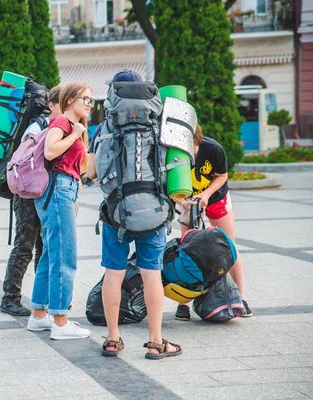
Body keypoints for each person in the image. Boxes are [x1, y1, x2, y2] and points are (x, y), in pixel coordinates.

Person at [86, 70, 182, 359]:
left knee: (113, 273)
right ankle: (155, 341)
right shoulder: (160, 124)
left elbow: (90, 174)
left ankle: (113, 339)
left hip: (116, 213)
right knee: (151, 273)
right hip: (154, 212)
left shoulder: (104, 128)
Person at [27, 82, 91, 340]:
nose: (89, 104)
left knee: (51, 254)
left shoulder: (72, 125)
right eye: (85, 99)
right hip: (57, 190)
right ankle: (61, 321)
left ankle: (39, 315)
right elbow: (50, 150)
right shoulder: (62, 123)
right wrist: (75, 135)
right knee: (65, 255)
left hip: (62, 189)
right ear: (69, 100)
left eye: (90, 100)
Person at [174, 124, 251, 321]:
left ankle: (241, 298)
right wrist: (183, 202)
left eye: (189, 147)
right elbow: (168, 184)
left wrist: (206, 194)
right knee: (187, 248)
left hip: (216, 197)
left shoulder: (213, 149)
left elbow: (222, 176)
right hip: (188, 201)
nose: (186, 152)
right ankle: (183, 304)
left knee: (229, 245)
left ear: (196, 141)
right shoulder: (173, 153)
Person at [0, 85, 62, 316]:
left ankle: (41, 297)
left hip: (43, 192)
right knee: (25, 245)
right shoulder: (38, 125)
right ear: (53, 104)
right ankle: (10, 297)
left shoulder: (53, 126)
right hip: (27, 193)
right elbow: (25, 159)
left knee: (43, 246)